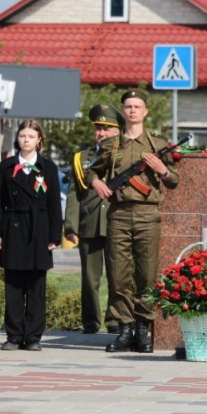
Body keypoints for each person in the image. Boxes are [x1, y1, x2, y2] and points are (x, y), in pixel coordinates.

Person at [88, 89, 179, 353]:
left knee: (146, 275)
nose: (132, 110)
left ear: (145, 111)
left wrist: (161, 169)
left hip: (147, 215)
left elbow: (174, 180)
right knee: (118, 275)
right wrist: (96, 183)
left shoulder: (157, 144)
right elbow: (92, 170)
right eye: (128, 106)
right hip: (118, 214)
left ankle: (143, 329)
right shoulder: (111, 145)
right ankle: (124, 329)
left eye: (137, 106)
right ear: (123, 111)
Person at [0, 120, 63, 351]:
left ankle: (33, 337)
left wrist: (55, 235)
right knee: (13, 286)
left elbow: (54, 204)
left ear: (39, 140)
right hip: (13, 228)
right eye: (23, 135)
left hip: (38, 230)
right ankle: (13, 335)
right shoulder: (6, 166)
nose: (26, 140)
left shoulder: (48, 167)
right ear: (17, 138)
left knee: (36, 286)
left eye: (31, 136)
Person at [64, 103, 125, 334]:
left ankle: (115, 321)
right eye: (98, 128)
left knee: (117, 278)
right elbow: (74, 195)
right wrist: (71, 226)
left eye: (107, 128)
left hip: (117, 224)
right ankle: (90, 322)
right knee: (90, 280)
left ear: (118, 131)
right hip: (89, 224)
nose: (102, 133)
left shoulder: (125, 155)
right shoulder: (82, 158)